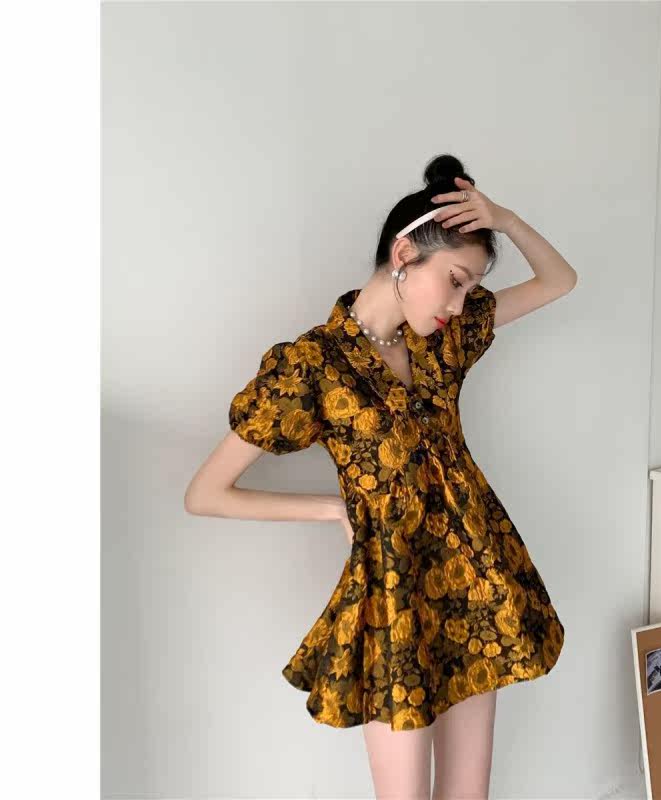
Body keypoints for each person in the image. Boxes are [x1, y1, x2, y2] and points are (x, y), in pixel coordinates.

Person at [185, 154, 577, 799]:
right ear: (403, 254)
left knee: (469, 794)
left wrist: (504, 219)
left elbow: (559, 280)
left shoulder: (442, 342)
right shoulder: (313, 365)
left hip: (475, 577)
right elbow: (205, 494)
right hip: (393, 595)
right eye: (454, 281)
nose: (458, 303)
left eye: (469, 288)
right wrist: (331, 510)